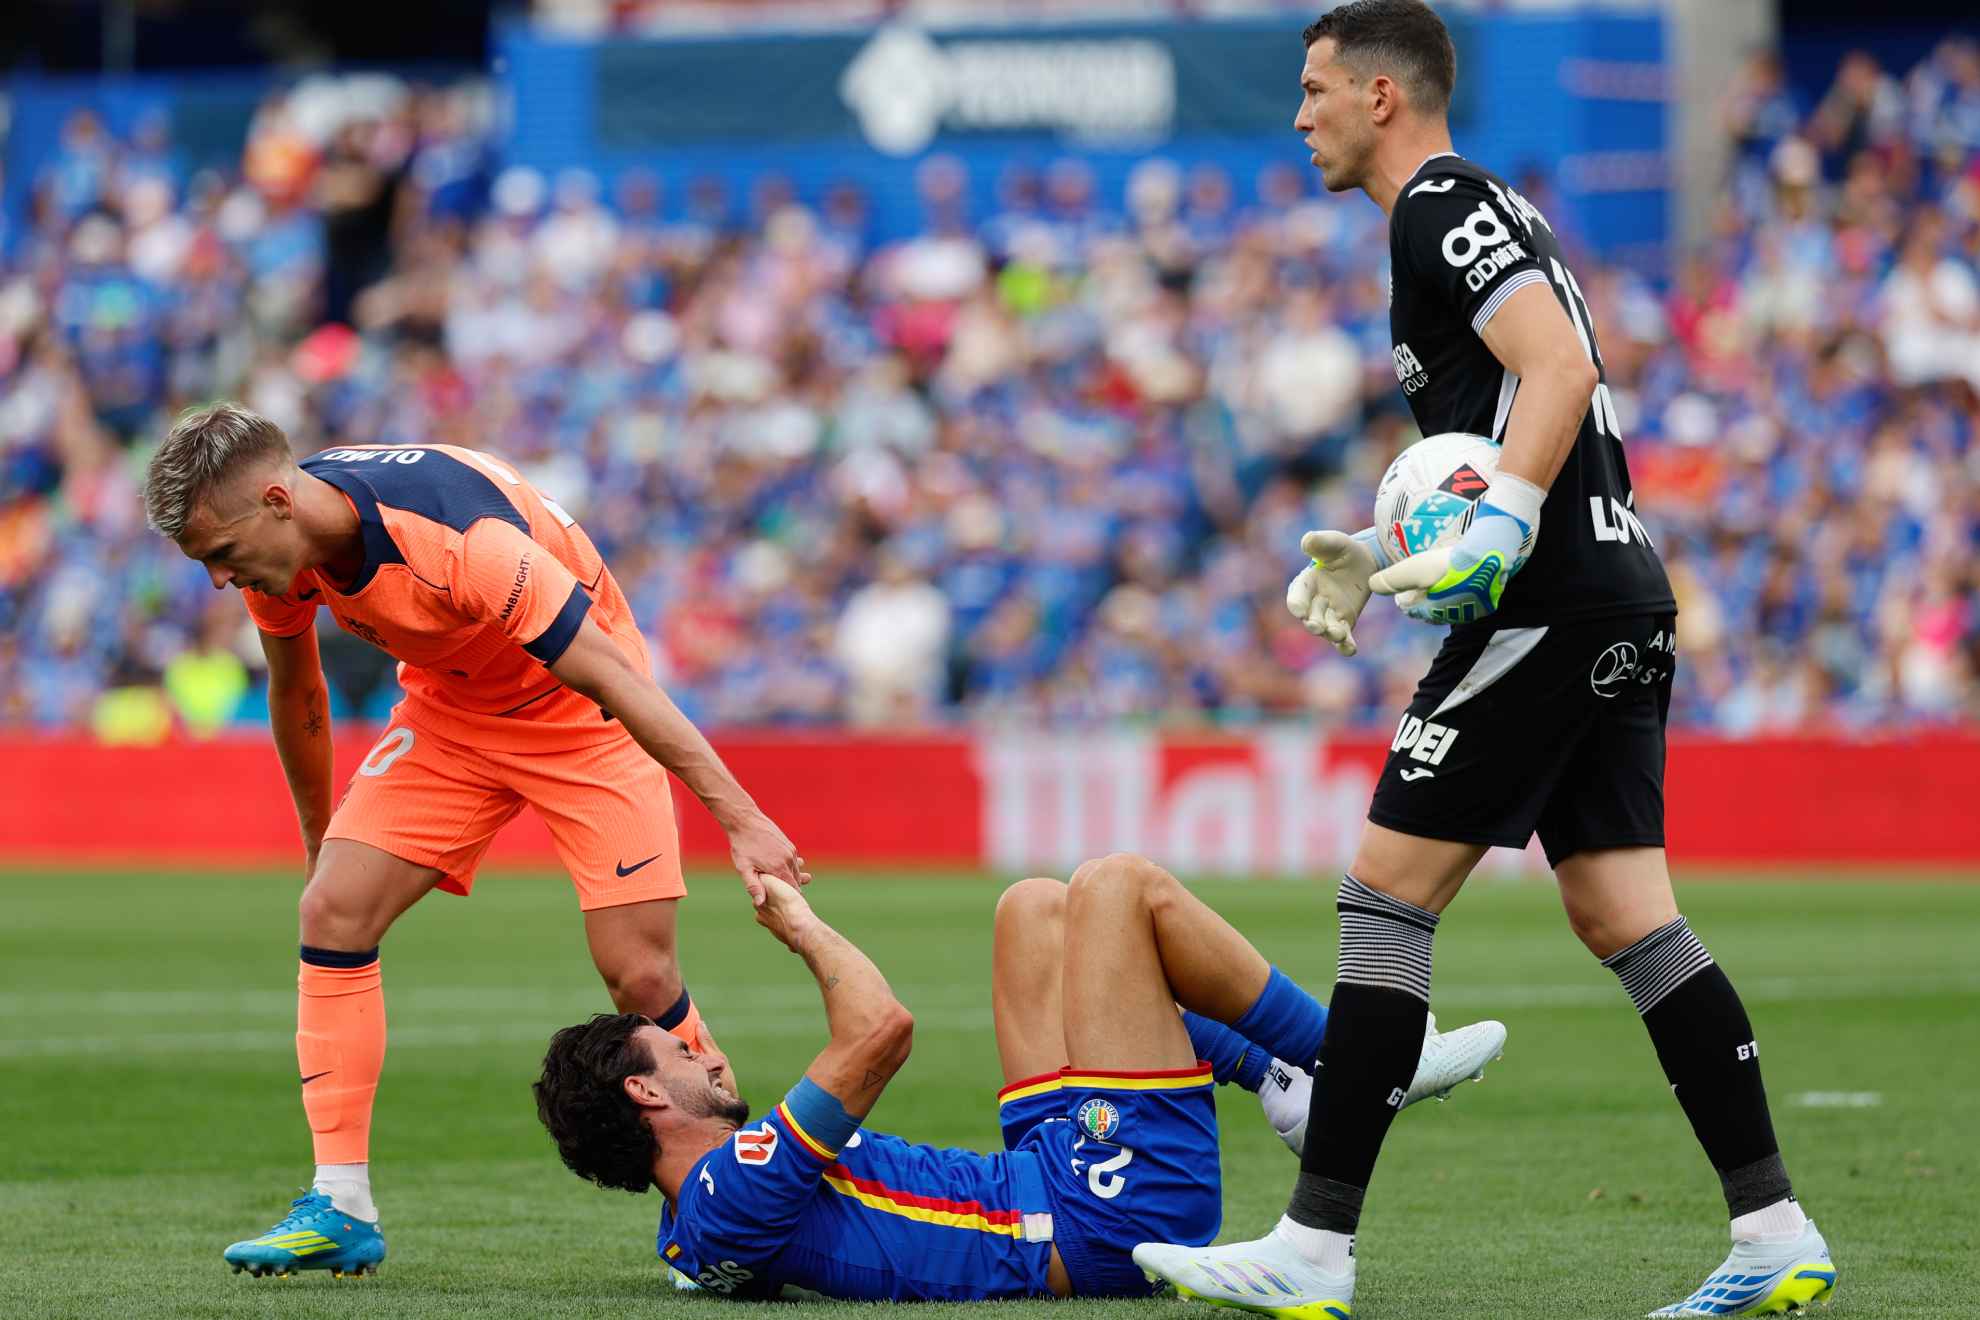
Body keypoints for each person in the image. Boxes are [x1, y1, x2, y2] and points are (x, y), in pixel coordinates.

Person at [1133, 6, 1836, 1317]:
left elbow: (1556, 368)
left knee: (1383, 904)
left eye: (1316, 88)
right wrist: (1387, 545)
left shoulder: (1438, 199)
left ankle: (1315, 1250)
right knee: (1627, 917)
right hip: (1617, 593)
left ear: (1384, 94)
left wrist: (1501, 527)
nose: (1300, 114)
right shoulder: (1476, 209)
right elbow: (1503, 414)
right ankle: (1775, 1229)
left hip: (1548, 606)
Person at [139, 403, 809, 1277]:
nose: (223, 584)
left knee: (639, 973)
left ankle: (738, 1203)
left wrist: (743, 817)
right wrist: (321, 841)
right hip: (453, 713)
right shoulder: (284, 546)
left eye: (222, 559)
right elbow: (295, 692)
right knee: (333, 909)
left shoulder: (462, 541)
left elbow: (609, 673)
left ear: (275, 500)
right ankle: (339, 1205)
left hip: (583, 716)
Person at [533, 858, 1507, 1303]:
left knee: (1034, 907)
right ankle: (1348, 1062)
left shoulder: (693, 1224)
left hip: (1049, 1179)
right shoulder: (729, 1190)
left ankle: (1286, 1084)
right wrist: (798, 924)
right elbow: (879, 1030)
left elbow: (711, 1261)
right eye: (678, 1052)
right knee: (1122, 889)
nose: (703, 1049)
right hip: (1105, 1227)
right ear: (646, 1097)